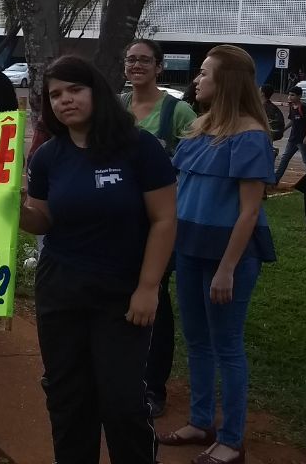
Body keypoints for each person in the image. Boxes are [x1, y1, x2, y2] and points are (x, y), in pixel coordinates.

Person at [21, 55, 177, 464]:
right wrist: (16, 210)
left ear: (97, 92)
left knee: (122, 401)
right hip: (60, 289)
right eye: (55, 94)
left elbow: (164, 220)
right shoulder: (48, 157)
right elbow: (42, 220)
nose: (65, 100)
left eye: (75, 89)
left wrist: (148, 288)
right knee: (67, 397)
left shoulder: (139, 148)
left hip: (122, 293)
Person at [158, 45, 275, 464]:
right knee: (196, 341)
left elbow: (250, 211)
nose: (197, 79)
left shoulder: (251, 136)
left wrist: (227, 268)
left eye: (205, 73)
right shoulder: (200, 127)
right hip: (189, 248)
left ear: (225, 82)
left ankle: (231, 439)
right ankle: (201, 420)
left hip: (228, 257)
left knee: (227, 345)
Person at [121, 40, 198, 418]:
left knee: (155, 300)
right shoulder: (116, 106)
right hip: (118, 221)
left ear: (159, 67)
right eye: (131, 60)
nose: (136, 65)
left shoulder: (178, 111)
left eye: (144, 60)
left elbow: (195, 161)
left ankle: (153, 387)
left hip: (160, 222)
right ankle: (121, 375)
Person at [274, 85, 306, 181]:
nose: (290, 97)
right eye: (289, 95)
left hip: (302, 140)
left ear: (299, 96)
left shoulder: (304, 107)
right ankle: (276, 179)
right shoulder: (292, 106)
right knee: (284, 159)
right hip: (292, 139)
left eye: (292, 95)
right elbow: (292, 121)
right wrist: (283, 130)